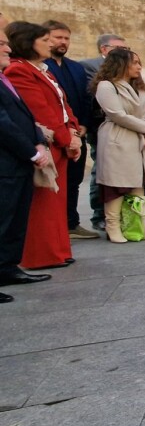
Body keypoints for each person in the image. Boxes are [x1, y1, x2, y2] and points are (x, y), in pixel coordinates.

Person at [4, 21, 81, 268]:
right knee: (44, 202)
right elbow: (41, 110)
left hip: (62, 141)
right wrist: (67, 139)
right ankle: (42, 255)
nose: (51, 44)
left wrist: (74, 131)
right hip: (48, 142)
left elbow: (62, 106)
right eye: (45, 40)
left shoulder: (43, 70)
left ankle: (58, 250)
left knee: (57, 201)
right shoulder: (19, 71)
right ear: (28, 42)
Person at [0, 24, 53, 296]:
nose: (7, 48)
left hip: (19, 161)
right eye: (0, 44)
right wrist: (32, 151)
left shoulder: (4, 79)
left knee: (15, 218)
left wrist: (38, 140)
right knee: (4, 220)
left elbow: (25, 115)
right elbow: (3, 124)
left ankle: (8, 268)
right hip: (6, 163)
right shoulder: (15, 72)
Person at [92, 48, 145, 241]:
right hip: (118, 138)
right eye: (135, 63)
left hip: (141, 140)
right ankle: (112, 226)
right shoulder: (106, 86)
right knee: (116, 184)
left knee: (137, 183)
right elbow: (117, 114)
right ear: (121, 64)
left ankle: (136, 225)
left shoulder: (140, 87)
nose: (139, 67)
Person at [45, 21, 99, 239]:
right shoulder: (41, 67)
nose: (62, 42)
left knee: (74, 181)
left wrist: (83, 125)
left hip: (78, 133)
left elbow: (86, 98)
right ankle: (54, 228)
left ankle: (71, 222)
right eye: (58, 37)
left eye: (66, 38)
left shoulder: (76, 67)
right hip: (53, 135)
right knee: (53, 184)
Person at [79, 33, 127, 232]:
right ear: (104, 49)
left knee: (125, 172)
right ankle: (100, 215)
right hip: (102, 127)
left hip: (127, 128)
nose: (124, 52)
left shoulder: (129, 67)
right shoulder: (89, 66)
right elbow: (93, 95)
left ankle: (127, 212)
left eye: (126, 48)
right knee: (102, 171)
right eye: (119, 48)